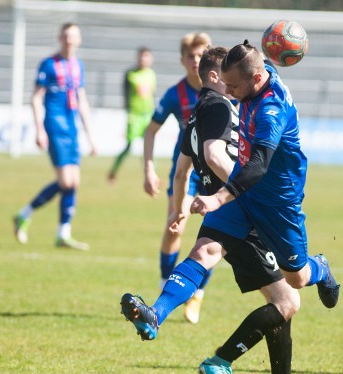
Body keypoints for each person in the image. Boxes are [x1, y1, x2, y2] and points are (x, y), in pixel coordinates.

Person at [121, 46, 323, 374]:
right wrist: (235, 192)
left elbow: (182, 169)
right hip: (242, 204)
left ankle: (158, 314)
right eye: (226, 81)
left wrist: (176, 208)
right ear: (215, 77)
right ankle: (224, 361)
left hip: (225, 203)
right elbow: (215, 154)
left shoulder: (196, 114)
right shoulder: (217, 106)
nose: (231, 90)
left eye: (236, 82)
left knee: (207, 254)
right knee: (288, 299)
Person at [142, 32, 213, 324]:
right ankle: (164, 283)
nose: (196, 61)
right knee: (175, 227)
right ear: (183, 60)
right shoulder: (176, 94)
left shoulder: (223, 87)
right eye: (191, 56)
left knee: (217, 235)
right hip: (183, 172)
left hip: (216, 175)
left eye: (201, 56)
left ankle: (197, 294)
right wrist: (148, 168)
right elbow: (150, 131)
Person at [13, 22, 97, 250]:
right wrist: (39, 128)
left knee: (73, 182)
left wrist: (91, 137)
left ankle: (63, 233)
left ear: (79, 40)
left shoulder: (78, 65)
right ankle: (25, 214)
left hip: (72, 128)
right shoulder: (48, 64)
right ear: (60, 38)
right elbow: (36, 98)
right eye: (66, 36)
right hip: (54, 126)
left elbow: (82, 100)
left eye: (74, 37)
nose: (70, 40)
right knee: (67, 182)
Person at [108, 47, 156, 184]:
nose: (143, 59)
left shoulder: (151, 74)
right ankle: (113, 172)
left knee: (149, 146)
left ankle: (151, 175)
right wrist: (127, 114)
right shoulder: (130, 74)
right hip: (134, 115)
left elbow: (151, 95)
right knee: (129, 147)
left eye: (146, 56)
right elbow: (125, 96)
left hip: (148, 115)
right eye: (141, 56)